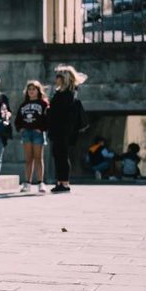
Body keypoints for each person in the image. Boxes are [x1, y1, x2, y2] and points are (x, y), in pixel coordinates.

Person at [47, 64, 88, 194]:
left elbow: (62, 113)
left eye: (58, 76)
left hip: (62, 130)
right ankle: (61, 181)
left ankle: (64, 182)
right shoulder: (62, 93)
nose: (56, 79)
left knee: (61, 155)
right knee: (58, 155)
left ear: (64, 78)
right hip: (59, 129)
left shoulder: (67, 94)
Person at [14, 80, 49, 193]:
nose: (31, 91)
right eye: (29, 89)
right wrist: (20, 128)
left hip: (37, 133)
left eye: (34, 89)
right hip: (27, 133)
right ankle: (27, 183)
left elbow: (48, 118)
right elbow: (18, 119)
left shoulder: (43, 104)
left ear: (38, 91)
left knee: (38, 158)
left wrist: (42, 128)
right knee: (28, 159)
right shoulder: (23, 105)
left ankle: (40, 183)